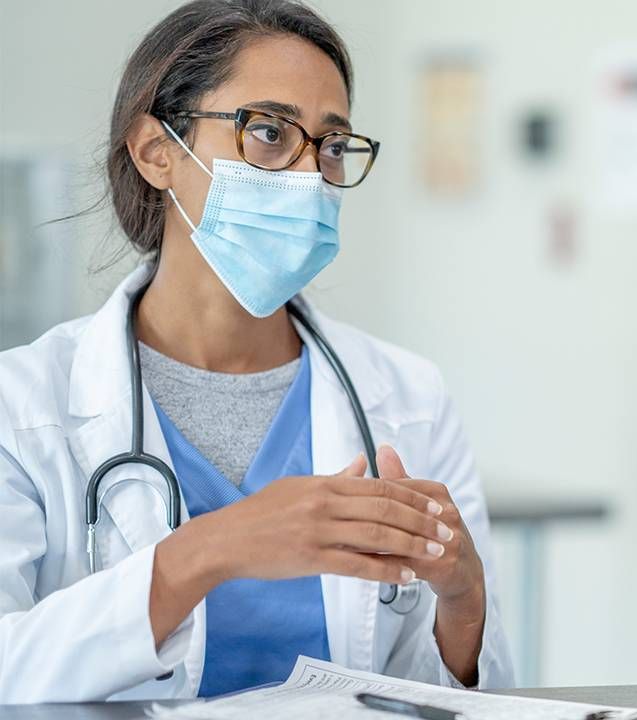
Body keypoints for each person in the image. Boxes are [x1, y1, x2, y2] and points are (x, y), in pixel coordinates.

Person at [0, 0, 512, 702]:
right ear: (156, 152)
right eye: (267, 132)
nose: (307, 174)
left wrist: (465, 600)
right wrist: (207, 552)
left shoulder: (408, 396)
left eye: (331, 145)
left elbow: (454, 696)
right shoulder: (22, 405)